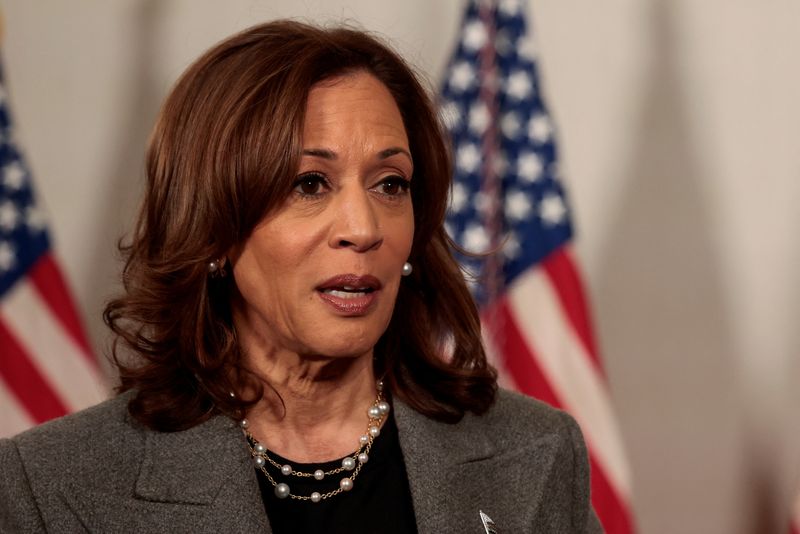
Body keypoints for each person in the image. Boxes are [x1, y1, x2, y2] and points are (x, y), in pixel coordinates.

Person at [0, 20, 603, 533]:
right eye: (309, 184)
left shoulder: (538, 453)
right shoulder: (53, 489)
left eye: (390, 184)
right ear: (214, 228)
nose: (363, 227)